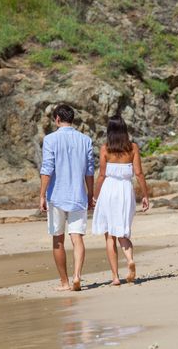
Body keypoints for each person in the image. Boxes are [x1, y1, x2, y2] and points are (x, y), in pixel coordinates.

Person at [39, 104, 94, 291]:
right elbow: (89, 171)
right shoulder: (85, 140)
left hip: (56, 195)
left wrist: (41, 195)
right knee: (77, 238)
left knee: (58, 239)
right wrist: (91, 193)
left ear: (56, 119)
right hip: (78, 195)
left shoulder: (50, 140)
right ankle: (77, 275)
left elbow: (47, 169)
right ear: (72, 119)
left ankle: (65, 282)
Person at [92, 115, 149, 286]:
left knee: (110, 235)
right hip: (125, 190)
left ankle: (115, 277)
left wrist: (94, 196)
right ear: (124, 129)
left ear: (109, 131)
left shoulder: (105, 149)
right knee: (123, 231)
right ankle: (129, 259)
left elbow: (101, 175)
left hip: (109, 190)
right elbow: (139, 173)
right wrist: (145, 195)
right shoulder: (132, 148)